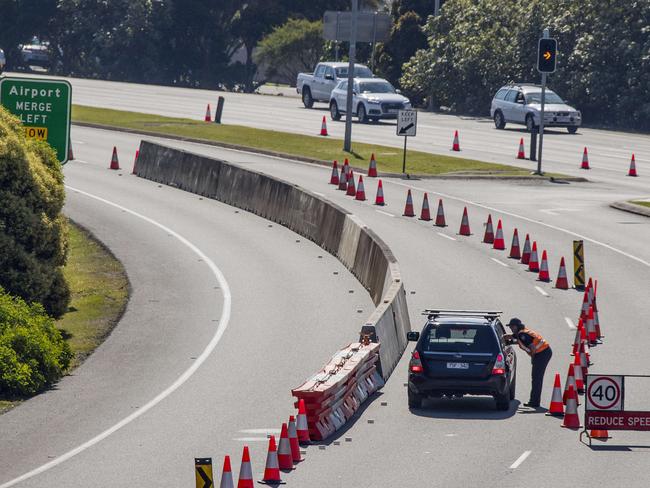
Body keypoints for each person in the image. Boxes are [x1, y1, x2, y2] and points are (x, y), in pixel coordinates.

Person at [504, 317, 552, 408]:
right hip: (544, 352)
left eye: (512, 326)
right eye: (510, 327)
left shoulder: (522, 335)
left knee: (536, 378)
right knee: (536, 378)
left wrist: (532, 358)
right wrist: (505, 337)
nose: (511, 328)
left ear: (517, 326)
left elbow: (532, 348)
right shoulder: (521, 333)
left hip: (542, 354)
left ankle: (534, 402)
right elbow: (514, 337)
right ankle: (534, 401)